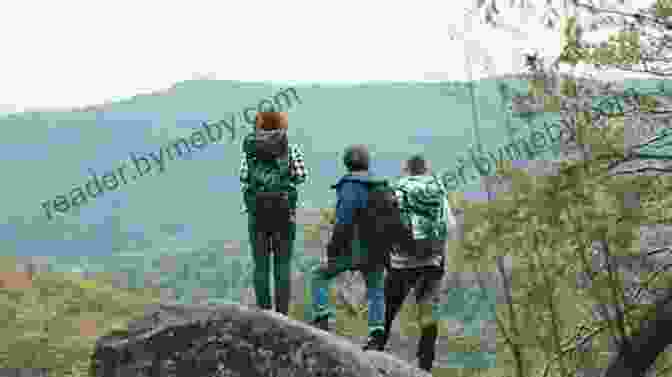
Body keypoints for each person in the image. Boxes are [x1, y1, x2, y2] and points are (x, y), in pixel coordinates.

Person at [310, 144, 393, 351]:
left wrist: (333, 249)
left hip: (353, 250)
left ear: (347, 163)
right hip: (378, 250)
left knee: (319, 275)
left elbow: (343, 223)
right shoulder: (381, 186)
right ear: (367, 162)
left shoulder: (350, 186)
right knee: (375, 290)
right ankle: (376, 335)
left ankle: (322, 319)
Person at [381, 154, 458, 372]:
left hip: (401, 264)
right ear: (426, 169)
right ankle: (425, 365)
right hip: (432, 263)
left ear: (406, 170)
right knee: (428, 313)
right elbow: (450, 226)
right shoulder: (436, 191)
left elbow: (386, 227)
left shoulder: (397, 189)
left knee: (388, 310)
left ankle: (373, 352)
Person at [239, 111, 308, 315]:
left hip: (257, 213)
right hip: (284, 212)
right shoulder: (290, 148)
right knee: (282, 264)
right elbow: (301, 176)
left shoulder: (250, 150)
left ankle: (264, 311)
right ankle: (282, 314)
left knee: (260, 264)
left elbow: (243, 176)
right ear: (282, 125)